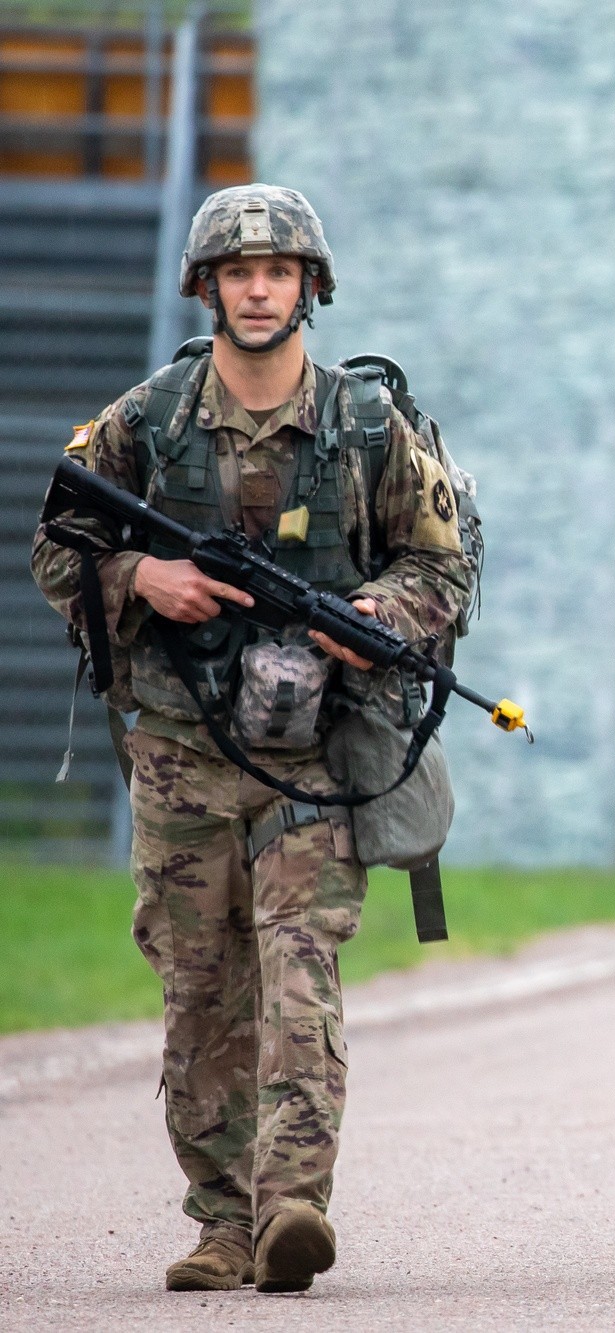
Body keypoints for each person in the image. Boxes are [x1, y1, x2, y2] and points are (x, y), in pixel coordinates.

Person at [30, 184, 471, 1293]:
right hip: (181, 749)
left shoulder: (368, 427)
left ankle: (289, 1208)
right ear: (209, 288)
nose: (259, 287)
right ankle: (219, 1220)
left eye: (278, 271)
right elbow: (57, 550)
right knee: (198, 987)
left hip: (315, 749)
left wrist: (382, 621)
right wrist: (145, 576)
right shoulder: (147, 422)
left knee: (299, 972)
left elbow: (442, 564)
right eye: (239, 272)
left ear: (310, 287)